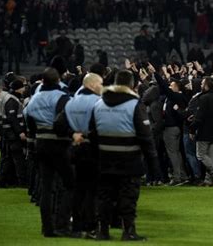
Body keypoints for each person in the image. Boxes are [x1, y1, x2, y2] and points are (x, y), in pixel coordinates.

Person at [89, 70, 152, 241]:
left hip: (104, 159)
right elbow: (145, 135)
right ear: (132, 85)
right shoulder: (134, 105)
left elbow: (92, 134)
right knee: (128, 196)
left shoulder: (99, 103)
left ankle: (102, 231)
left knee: (104, 196)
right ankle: (128, 231)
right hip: (129, 160)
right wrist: (152, 162)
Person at [24, 68, 73, 237]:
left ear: (43, 81)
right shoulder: (62, 97)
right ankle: (62, 224)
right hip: (58, 143)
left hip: (40, 142)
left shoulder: (34, 99)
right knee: (69, 184)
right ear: (58, 80)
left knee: (46, 186)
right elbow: (65, 120)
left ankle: (47, 228)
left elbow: (28, 120)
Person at [54, 73, 103, 235]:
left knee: (77, 189)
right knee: (92, 191)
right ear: (92, 85)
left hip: (74, 150)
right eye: (100, 84)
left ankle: (75, 226)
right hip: (93, 150)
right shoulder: (99, 102)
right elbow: (101, 127)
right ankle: (90, 227)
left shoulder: (70, 102)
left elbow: (58, 125)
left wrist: (72, 134)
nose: (102, 87)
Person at [190, 77, 213, 185]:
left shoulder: (204, 98)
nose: (200, 86)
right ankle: (209, 180)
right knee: (210, 156)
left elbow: (200, 117)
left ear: (207, 85)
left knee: (201, 155)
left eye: (202, 84)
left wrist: (192, 129)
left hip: (204, 132)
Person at [0, 80, 28, 188]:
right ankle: (22, 182)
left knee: (8, 158)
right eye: (22, 87)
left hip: (9, 133)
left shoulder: (9, 98)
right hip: (12, 134)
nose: (24, 89)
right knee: (18, 158)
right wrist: (20, 132)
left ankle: (2, 182)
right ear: (18, 88)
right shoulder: (12, 100)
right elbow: (12, 118)